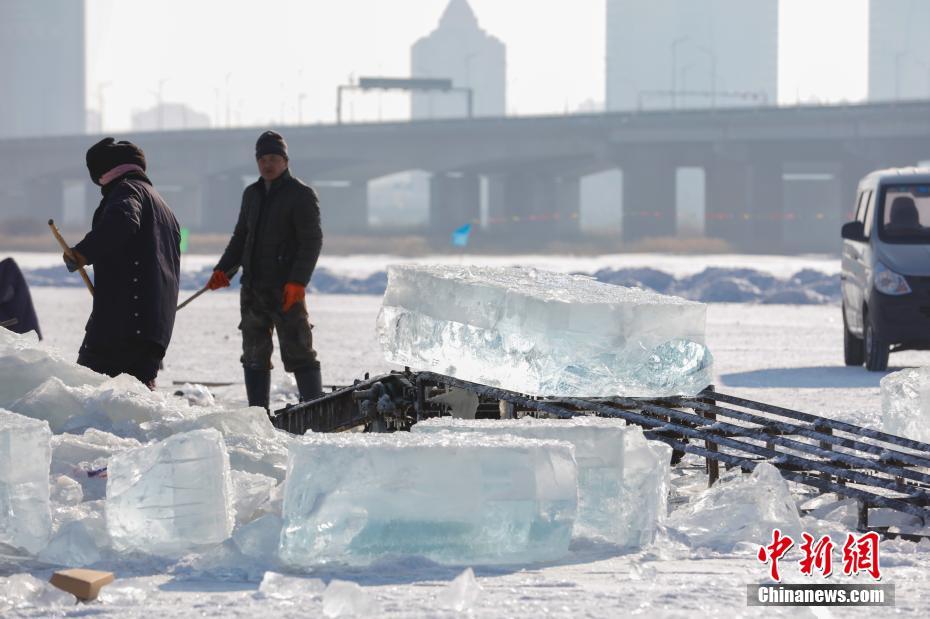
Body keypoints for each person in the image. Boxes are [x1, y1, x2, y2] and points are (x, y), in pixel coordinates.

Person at [207, 130, 323, 409]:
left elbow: (312, 241)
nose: (267, 164)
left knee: (299, 351)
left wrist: (298, 281)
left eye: (273, 158)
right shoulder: (252, 194)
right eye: (262, 159)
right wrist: (224, 270)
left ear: (284, 161)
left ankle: (316, 410)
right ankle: (258, 414)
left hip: (286, 289)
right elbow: (240, 238)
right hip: (253, 289)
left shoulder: (301, 194)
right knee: (254, 355)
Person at [64, 137, 181, 388]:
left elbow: (123, 222)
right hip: (153, 329)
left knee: (89, 394)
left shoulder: (127, 190)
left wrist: (83, 253)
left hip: (123, 325)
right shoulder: (165, 208)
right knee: (135, 400)